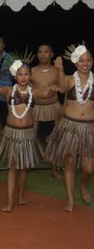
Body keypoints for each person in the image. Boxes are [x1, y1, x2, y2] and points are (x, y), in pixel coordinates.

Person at [0, 60, 58, 212]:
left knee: (23, 168)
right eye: (20, 74)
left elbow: (47, 94)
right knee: (12, 168)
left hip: (27, 133)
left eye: (26, 74)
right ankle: (10, 201)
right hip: (11, 132)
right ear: (15, 76)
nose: (23, 77)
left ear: (30, 76)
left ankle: (21, 194)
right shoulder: (9, 90)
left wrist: (53, 89)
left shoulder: (34, 92)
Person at [45, 45, 94, 212]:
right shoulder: (70, 79)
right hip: (70, 126)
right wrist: (59, 69)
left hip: (89, 128)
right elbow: (63, 87)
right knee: (70, 164)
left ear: (92, 62)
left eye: (88, 60)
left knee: (88, 168)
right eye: (81, 60)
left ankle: (83, 185)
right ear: (75, 62)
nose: (85, 63)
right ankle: (71, 200)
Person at [31, 43, 63, 179]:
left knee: (54, 139)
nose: (43, 54)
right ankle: (29, 164)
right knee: (31, 137)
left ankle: (54, 168)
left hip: (53, 108)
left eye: (46, 52)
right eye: (40, 52)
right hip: (36, 108)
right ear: (37, 54)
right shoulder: (31, 70)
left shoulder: (57, 71)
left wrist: (58, 85)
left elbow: (63, 88)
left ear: (51, 54)